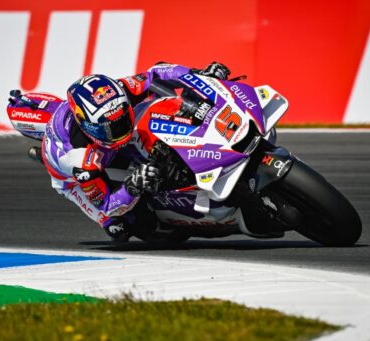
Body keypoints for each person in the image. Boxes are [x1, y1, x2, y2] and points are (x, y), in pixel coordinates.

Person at [24, 62, 231, 242]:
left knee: (159, 98)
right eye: (110, 128)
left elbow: (157, 72)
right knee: (118, 227)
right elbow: (106, 205)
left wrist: (198, 76)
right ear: (87, 126)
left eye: (123, 118)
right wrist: (132, 187)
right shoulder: (80, 162)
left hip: (108, 146)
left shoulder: (119, 92)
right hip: (75, 178)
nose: (120, 129)